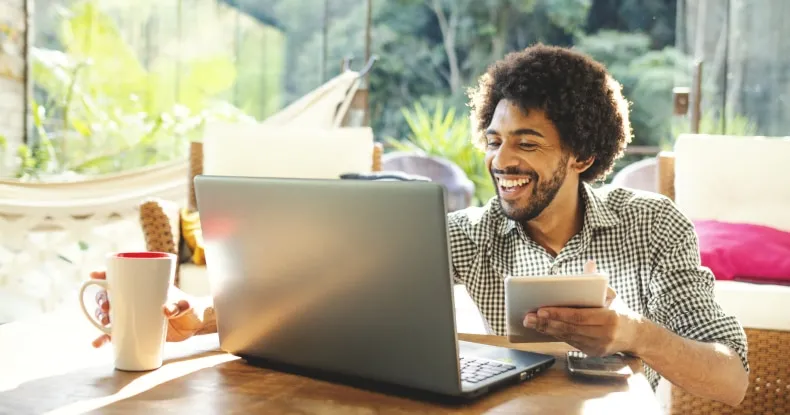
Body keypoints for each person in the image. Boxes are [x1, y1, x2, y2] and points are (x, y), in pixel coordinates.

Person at [89, 44, 748, 406]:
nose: (501, 161)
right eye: (493, 140)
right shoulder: (467, 233)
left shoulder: (654, 226)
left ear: (582, 154)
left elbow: (732, 377)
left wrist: (633, 332)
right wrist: (196, 313)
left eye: (526, 142)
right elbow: (323, 288)